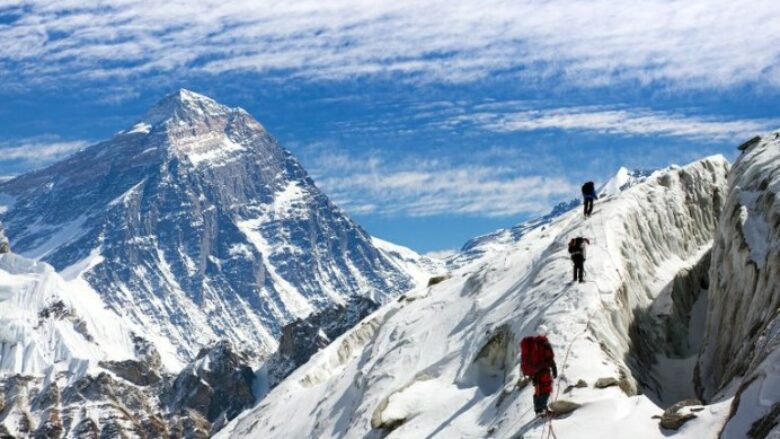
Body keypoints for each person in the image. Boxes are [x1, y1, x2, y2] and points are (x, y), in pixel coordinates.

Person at [520, 326, 558, 416]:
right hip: (543, 370)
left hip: (534, 372)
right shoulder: (544, 343)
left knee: (538, 390)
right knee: (546, 388)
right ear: (545, 332)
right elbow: (549, 357)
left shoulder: (533, 343)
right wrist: (554, 368)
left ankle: (538, 410)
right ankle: (543, 409)